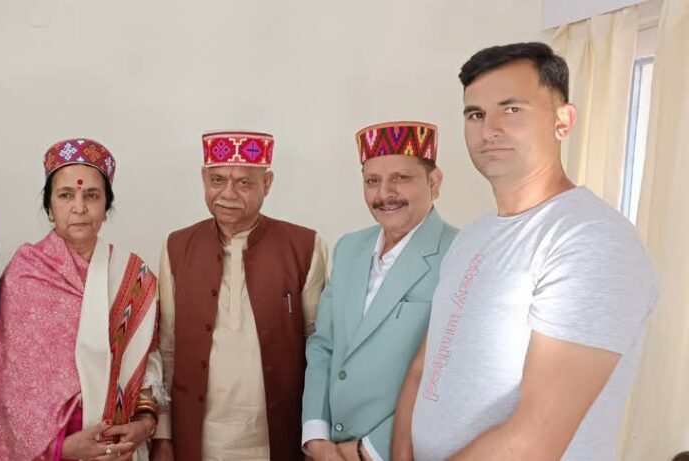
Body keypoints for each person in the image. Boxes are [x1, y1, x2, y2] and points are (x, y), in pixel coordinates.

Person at [392, 42, 657, 460]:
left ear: (563, 121)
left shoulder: (590, 241)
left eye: (511, 109)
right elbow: (423, 369)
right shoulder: (472, 236)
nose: (489, 129)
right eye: (475, 114)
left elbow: (534, 439)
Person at [0, 139, 164, 461]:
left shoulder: (134, 277)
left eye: (92, 195)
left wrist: (145, 423)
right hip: (49, 452)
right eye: (65, 195)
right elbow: (1, 382)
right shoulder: (25, 275)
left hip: (118, 447)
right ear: (49, 208)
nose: (79, 207)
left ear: (106, 207)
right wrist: (60, 448)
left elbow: (148, 357)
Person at [152, 130, 328, 460]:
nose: (228, 194)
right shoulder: (176, 247)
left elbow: (319, 351)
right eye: (217, 180)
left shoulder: (304, 247)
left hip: (277, 437)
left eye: (244, 183)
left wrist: (316, 436)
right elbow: (167, 347)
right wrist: (163, 434)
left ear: (267, 183)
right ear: (203, 179)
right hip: (197, 438)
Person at [302, 121, 457, 461]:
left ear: (434, 182)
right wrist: (316, 435)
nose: (384, 193)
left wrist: (367, 450)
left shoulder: (460, 254)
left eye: (401, 178)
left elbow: (452, 374)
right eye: (372, 181)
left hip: (400, 452)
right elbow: (323, 344)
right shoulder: (349, 248)